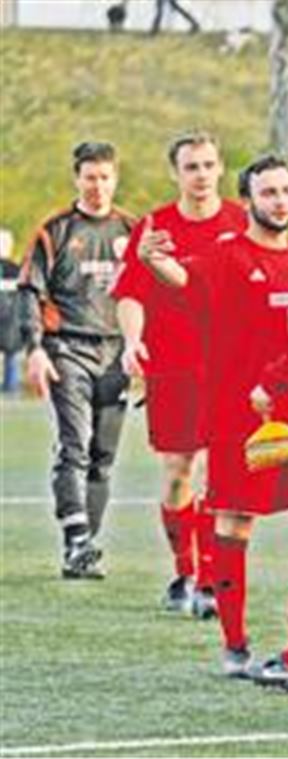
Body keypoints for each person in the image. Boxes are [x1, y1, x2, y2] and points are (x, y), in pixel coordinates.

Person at [138, 155, 288, 677]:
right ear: (249, 201)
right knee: (235, 521)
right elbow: (180, 278)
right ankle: (235, 645)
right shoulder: (227, 257)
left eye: (287, 190)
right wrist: (154, 261)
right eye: (268, 193)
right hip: (241, 419)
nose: (280, 200)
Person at [113, 130, 247, 619]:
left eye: (209, 165)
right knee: (179, 473)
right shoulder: (155, 227)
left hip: (230, 366)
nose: (202, 175)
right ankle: (184, 571)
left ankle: (211, 579)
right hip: (173, 366)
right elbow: (130, 292)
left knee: (222, 473)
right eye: (191, 167)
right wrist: (133, 341)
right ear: (176, 173)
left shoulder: (240, 222)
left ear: (220, 168)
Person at [17, 141, 135, 579]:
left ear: (115, 179)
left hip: (116, 353)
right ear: (77, 179)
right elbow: (30, 292)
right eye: (89, 177)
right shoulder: (56, 230)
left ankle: (83, 548)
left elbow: (153, 296)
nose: (97, 186)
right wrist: (33, 349)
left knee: (103, 455)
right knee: (74, 445)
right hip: (67, 348)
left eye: (105, 177)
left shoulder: (132, 229)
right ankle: (77, 538)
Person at [1, 228, 24, 392]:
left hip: (9, 323)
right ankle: (11, 387)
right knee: (12, 358)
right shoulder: (18, 271)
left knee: (12, 358)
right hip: (12, 324)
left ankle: (11, 386)